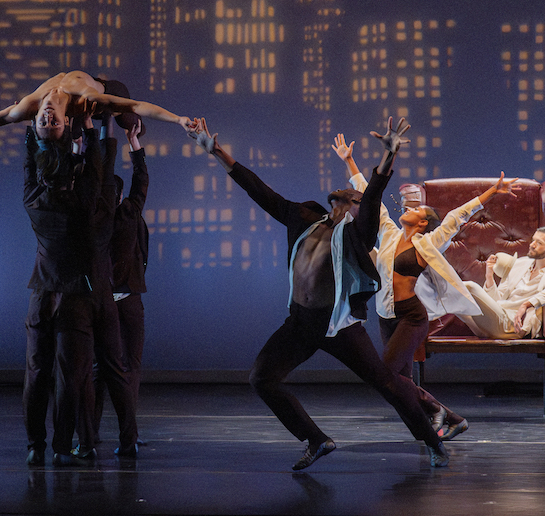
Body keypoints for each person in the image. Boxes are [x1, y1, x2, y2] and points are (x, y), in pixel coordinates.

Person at [189, 116, 451, 469]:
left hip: (336, 325)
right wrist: (217, 152)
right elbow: (259, 190)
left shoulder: (356, 235)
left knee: (386, 383)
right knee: (262, 379)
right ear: (337, 202)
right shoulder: (304, 220)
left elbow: (373, 196)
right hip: (300, 323)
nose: (358, 199)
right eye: (356, 198)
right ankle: (316, 439)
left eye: (362, 201)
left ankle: (433, 441)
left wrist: (389, 156)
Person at [333, 134, 519, 441]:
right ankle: (448, 423)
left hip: (411, 316)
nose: (409, 208)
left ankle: (436, 411)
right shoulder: (389, 233)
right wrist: (349, 161)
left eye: (417, 209)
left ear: (423, 222)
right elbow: (370, 196)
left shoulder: (429, 242)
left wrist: (490, 193)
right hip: (385, 315)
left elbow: (457, 217)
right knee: (397, 382)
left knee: (385, 374)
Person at [21, 104, 136, 467]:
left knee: (36, 373)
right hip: (72, 298)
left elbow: (30, 165)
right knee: (70, 378)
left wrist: (32, 130)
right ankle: (63, 445)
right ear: (71, 177)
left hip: (42, 294)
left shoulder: (32, 199)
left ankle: (35, 445)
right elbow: (100, 176)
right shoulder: (82, 204)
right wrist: (89, 128)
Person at [0, 70, 194, 165]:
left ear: (34, 119)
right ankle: (132, 132)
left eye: (42, 122)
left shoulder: (27, 106)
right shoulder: (84, 97)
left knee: (124, 121)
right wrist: (177, 119)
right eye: (54, 123)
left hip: (93, 90)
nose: (47, 117)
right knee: (128, 119)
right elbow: (136, 104)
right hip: (104, 93)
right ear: (64, 121)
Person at [90, 118, 150, 457]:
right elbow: (141, 180)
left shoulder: (92, 218)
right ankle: (128, 435)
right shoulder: (128, 213)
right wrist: (133, 142)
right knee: (129, 366)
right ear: (120, 195)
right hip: (125, 302)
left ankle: (90, 434)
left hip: (103, 302)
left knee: (99, 370)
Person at [457, 226, 545, 342]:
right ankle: (483, 332)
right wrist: (489, 276)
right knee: (455, 296)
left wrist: (527, 304)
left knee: (469, 287)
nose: (532, 245)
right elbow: (497, 300)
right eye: (533, 240)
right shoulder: (520, 263)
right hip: (499, 317)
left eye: (539, 243)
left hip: (514, 325)